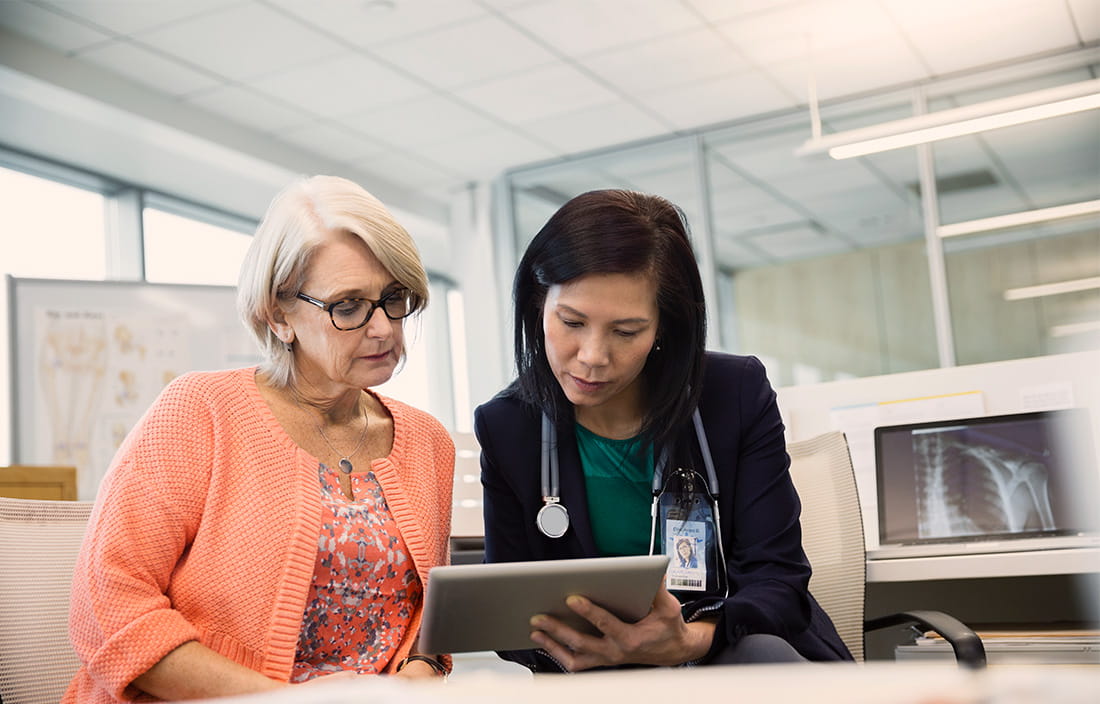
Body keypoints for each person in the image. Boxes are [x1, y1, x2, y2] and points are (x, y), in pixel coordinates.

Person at [65, 175, 454, 702]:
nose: (384, 328)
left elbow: (428, 630)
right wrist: (282, 699)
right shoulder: (199, 412)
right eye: (348, 306)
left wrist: (419, 675)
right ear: (279, 315)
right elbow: (107, 605)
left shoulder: (428, 443)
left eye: (393, 298)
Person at [474, 189, 852, 672]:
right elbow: (510, 617)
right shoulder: (507, 426)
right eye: (571, 321)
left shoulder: (733, 394)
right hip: (602, 682)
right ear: (536, 306)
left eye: (626, 331)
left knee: (761, 655)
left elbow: (777, 583)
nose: (592, 355)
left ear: (664, 329)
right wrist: (593, 651)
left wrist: (691, 640)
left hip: (736, 660)